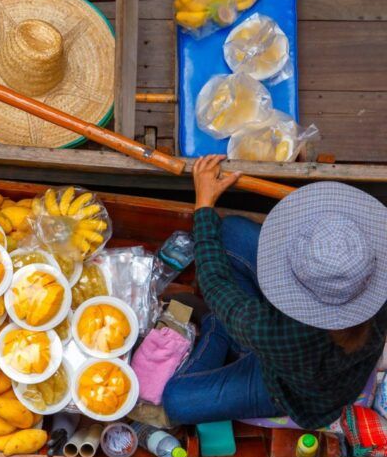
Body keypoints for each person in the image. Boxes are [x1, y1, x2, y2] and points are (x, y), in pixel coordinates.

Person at [163, 155, 387, 426]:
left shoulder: (274, 330)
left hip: (287, 390)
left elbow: (214, 284)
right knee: (231, 232)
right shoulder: (370, 294)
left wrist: (204, 204)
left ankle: (219, 328)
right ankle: (229, 327)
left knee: (176, 401)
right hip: (297, 348)